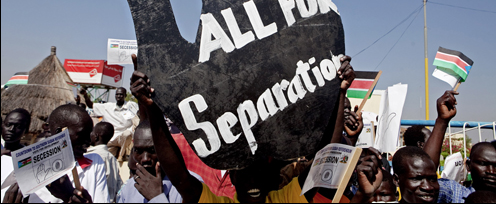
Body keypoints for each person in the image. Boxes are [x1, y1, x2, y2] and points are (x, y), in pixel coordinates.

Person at [130, 53, 355, 203]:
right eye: (244, 170)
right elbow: (179, 176)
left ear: (273, 174)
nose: (253, 179)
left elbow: (325, 163)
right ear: (232, 177)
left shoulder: (286, 199)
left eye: (258, 169)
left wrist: (339, 92)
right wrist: (151, 107)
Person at [423, 90, 496, 202]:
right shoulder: (454, 194)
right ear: (468, 165)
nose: (491, 171)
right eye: (483, 164)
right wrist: (442, 121)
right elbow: (424, 175)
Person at [28, 104, 110, 203]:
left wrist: (69, 196)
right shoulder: (32, 172)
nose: (89, 141)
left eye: (89, 134)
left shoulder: (95, 163)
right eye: (82, 134)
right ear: (60, 133)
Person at [115, 120, 204, 203]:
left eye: (153, 150)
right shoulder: (130, 187)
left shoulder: (190, 185)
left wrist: (156, 198)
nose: (145, 159)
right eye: (138, 151)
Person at [82, 87, 138, 162]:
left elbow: (139, 115)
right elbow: (91, 105)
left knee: (127, 134)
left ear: (125, 95)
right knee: (105, 158)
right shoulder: (108, 106)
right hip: (111, 138)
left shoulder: (131, 105)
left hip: (124, 137)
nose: (119, 96)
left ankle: (121, 155)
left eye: (121, 94)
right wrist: (85, 95)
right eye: (117, 94)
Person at [87, 122, 123, 202]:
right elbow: (119, 185)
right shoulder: (112, 158)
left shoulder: (91, 156)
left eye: (91, 132)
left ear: (96, 136)